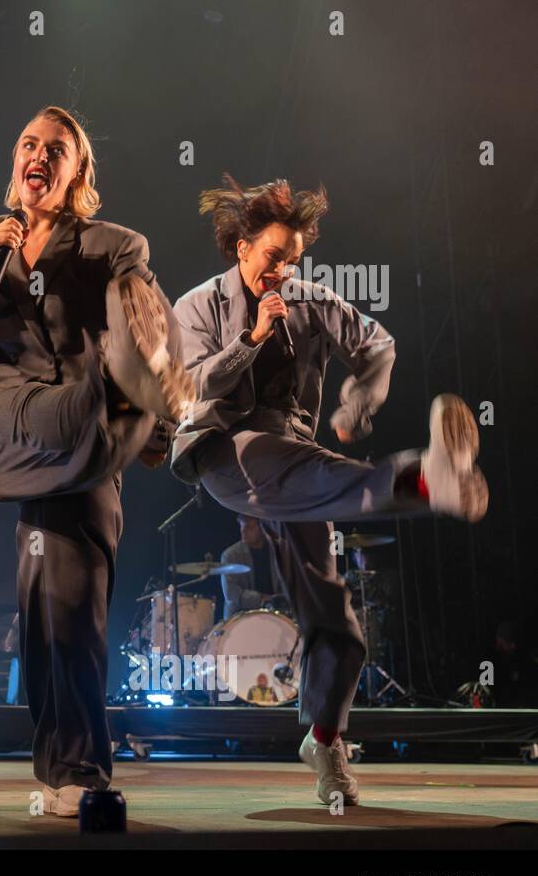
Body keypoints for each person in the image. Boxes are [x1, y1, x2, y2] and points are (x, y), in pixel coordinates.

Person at [171, 174, 488, 807]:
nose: (282, 271)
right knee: (280, 457)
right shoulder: (197, 306)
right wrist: (253, 338)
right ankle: (426, 477)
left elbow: (378, 345)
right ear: (241, 248)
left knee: (339, 628)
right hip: (226, 452)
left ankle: (324, 741)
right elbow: (192, 385)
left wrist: (358, 401)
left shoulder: (311, 300)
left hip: (300, 467)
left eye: (292, 260)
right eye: (271, 258)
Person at [0, 105, 193, 818]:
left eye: (57, 149)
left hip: (78, 447)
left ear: (76, 174)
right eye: (28, 144)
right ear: (16, 163)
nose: (38, 155)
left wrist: (146, 393)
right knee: (83, 418)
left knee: (63, 611)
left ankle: (71, 769)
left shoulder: (112, 245)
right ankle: (127, 407)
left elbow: (144, 312)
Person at [220, 514, 288, 619]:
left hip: (275, 615)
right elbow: (231, 594)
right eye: (241, 526)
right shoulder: (230, 555)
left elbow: (288, 584)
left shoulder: (279, 550)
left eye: (249, 527)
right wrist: (263, 599)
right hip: (240, 617)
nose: (243, 530)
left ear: (263, 529)